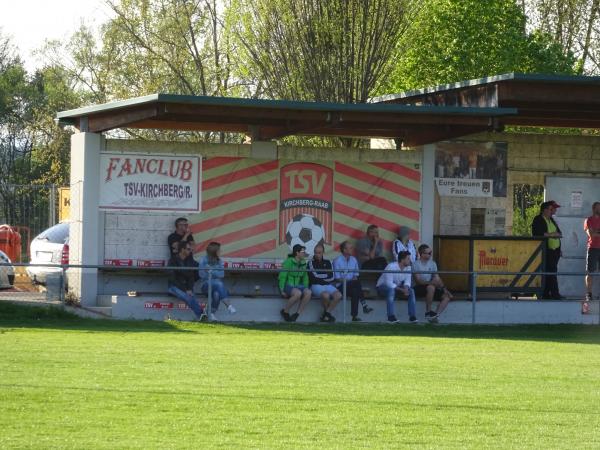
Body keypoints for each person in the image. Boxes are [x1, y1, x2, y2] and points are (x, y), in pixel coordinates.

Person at [531, 200, 564, 299]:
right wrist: (551, 235)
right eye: (551, 209)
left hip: (555, 250)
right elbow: (538, 233)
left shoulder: (552, 220)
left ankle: (546, 294)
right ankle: (555, 294)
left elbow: (559, 233)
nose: (553, 211)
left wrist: (555, 236)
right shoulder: (538, 219)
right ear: (544, 210)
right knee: (551, 272)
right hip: (546, 250)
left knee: (551, 272)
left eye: (553, 209)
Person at [333, 241, 372, 321]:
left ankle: (354, 316)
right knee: (356, 284)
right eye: (350, 248)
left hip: (352, 286)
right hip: (340, 286)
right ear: (344, 250)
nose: (352, 249)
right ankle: (364, 305)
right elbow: (337, 278)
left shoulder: (354, 259)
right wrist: (349, 281)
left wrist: (352, 281)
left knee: (355, 291)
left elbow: (356, 275)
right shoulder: (337, 260)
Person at [412, 244, 452, 322]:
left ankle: (434, 316)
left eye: (431, 252)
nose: (431, 254)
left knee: (447, 297)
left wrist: (445, 290)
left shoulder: (433, 263)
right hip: (418, 287)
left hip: (430, 287)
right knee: (431, 287)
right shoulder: (415, 264)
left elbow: (437, 278)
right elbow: (418, 281)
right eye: (429, 253)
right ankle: (428, 312)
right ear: (422, 254)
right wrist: (431, 282)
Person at [167, 241, 206, 321]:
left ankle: (202, 317)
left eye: (190, 249)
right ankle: (202, 315)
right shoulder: (173, 260)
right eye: (188, 249)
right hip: (174, 286)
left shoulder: (190, 260)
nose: (190, 250)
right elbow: (172, 279)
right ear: (182, 250)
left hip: (186, 287)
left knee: (191, 296)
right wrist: (186, 289)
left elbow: (191, 277)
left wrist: (190, 289)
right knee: (188, 297)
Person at [198, 242, 236, 321]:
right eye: (219, 250)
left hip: (216, 285)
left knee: (217, 294)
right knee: (219, 283)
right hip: (205, 285)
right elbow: (202, 275)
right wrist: (215, 272)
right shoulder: (203, 260)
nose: (220, 251)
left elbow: (222, 274)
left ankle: (211, 313)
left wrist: (211, 271)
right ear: (214, 251)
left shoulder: (219, 261)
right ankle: (229, 305)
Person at [376, 251, 417, 323]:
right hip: (382, 287)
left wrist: (406, 289)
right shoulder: (391, 266)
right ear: (402, 260)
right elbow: (389, 284)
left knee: (411, 291)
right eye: (408, 259)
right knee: (391, 290)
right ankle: (391, 317)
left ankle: (412, 317)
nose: (410, 260)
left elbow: (407, 281)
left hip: (397, 288)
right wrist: (402, 290)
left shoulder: (408, 268)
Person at [308, 243, 341, 322]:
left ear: (323, 253)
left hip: (327, 285)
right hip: (315, 285)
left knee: (338, 295)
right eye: (315, 252)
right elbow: (313, 278)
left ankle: (326, 314)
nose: (317, 254)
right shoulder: (310, 263)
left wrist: (321, 276)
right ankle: (327, 315)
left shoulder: (328, 262)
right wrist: (325, 275)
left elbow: (332, 276)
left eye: (319, 253)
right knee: (325, 295)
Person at [278, 244, 312, 322]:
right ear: (297, 253)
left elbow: (305, 277)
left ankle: (297, 314)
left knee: (309, 292)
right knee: (298, 293)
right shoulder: (288, 261)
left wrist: (306, 287)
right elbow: (283, 276)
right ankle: (285, 311)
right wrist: (282, 290)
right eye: (303, 252)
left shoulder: (303, 262)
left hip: (298, 286)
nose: (304, 253)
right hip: (288, 285)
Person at [583, 201, 600, 312]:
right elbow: (591, 235)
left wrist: (596, 232)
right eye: (598, 208)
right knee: (590, 271)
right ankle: (589, 293)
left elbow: (595, 233)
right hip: (592, 248)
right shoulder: (588, 220)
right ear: (593, 208)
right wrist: (595, 232)